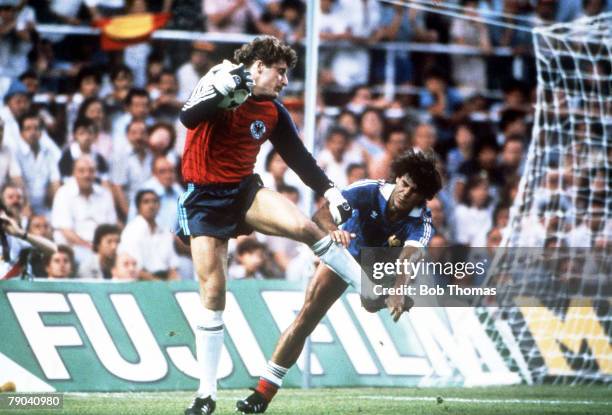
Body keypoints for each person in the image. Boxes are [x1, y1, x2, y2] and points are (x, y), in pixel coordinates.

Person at [179, 36, 362, 415]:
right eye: (280, 72)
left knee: (306, 228)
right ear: (258, 65)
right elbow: (188, 117)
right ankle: (205, 395)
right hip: (203, 198)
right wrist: (221, 93)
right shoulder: (220, 78)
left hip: (244, 190)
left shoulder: (273, 110)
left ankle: (369, 288)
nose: (284, 80)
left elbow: (297, 155)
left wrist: (330, 190)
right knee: (213, 295)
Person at [236, 149, 442, 413]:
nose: (406, 193)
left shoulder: (422, 221)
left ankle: (386, 297)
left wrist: (400, 288)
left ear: (424, 197)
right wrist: (335, 232)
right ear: (398, 178)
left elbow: (408, 258)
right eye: (404, 184)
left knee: (371, 302)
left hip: (382, 264)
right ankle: (262, 394)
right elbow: (320, 216)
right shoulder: (367, 190)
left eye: (415, 191)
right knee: (306, 319)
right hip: (344, 255)